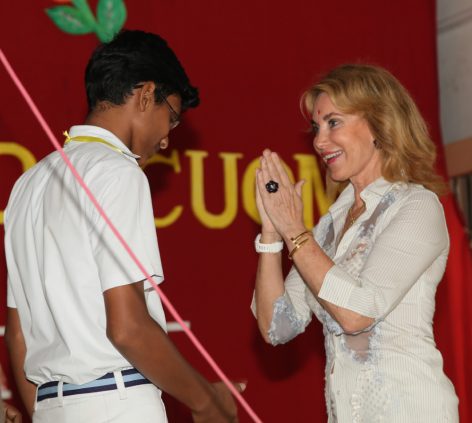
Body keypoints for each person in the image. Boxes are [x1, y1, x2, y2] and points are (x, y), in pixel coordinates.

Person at [4, 30, 242, 423]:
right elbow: (128, 328)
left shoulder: (28, 183)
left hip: (50, 408)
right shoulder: (118, 171)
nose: (165, 141)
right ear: (146, 95)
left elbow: (18, 336)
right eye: (172, 118)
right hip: (117, 403)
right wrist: (207, 403)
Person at [252, 64, 459, 422]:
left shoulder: (417, 205)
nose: (319, 141)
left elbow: (357, 314)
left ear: (379, 124)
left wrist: (294, 229)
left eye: (333, 122)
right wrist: (272, 233)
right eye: (316, 127)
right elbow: (277, 327)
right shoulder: (329, 225)